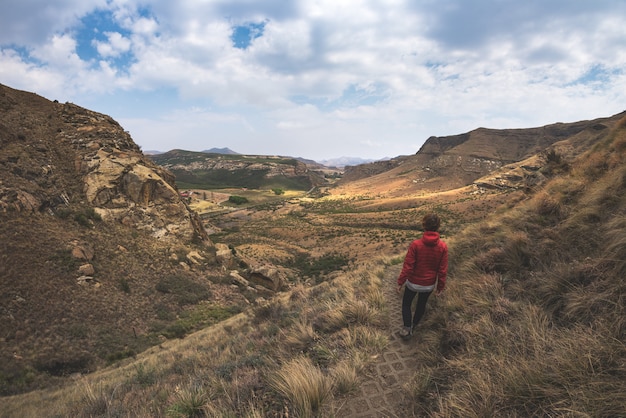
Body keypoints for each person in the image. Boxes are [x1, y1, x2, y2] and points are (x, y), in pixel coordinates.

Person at [396, 213, 448, 339]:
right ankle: (414, 325)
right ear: (438, 226)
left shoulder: (416, 245)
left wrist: (400, 282)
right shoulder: (443, 247)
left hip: (413, 282)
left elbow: (408, 266)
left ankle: (407, 328)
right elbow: (442, 270)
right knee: (421, 305)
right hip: (428, 285)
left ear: (424, 226)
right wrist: (440, 287)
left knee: (406, 304)